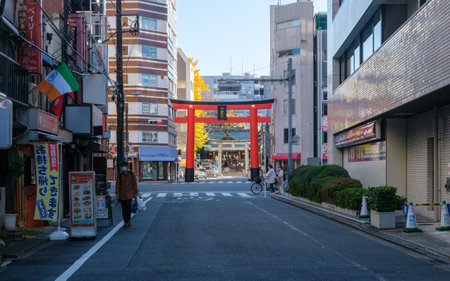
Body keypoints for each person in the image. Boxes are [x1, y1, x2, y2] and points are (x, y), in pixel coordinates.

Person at [116, 162, 138, 227]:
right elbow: (117, 185)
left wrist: (136, 192)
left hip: (130, 194)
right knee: (124, 209)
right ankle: (125, 221)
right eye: (122, 166)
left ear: (126, 167)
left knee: (128, 207)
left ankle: (128, 220)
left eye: (124, 166)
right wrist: (117, 193)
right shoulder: (119, 176)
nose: (123, 167)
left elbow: (135, 183)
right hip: (122, 194)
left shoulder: (131, 174)